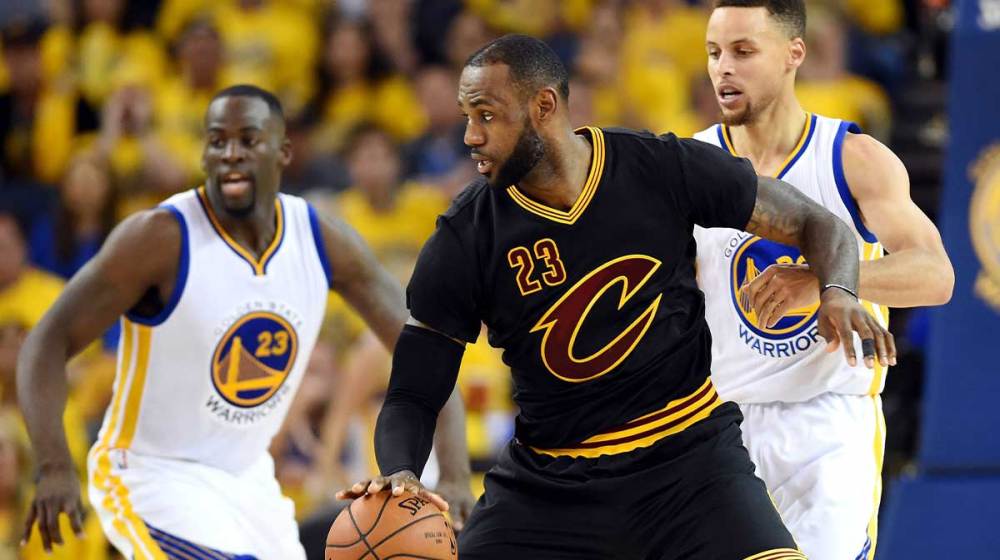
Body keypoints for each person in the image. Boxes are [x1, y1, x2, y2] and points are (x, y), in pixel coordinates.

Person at [339, 34, 894, 559]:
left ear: (544, 107)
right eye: (467, 117)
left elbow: (820, 225)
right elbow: (413, 391)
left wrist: (839, 290)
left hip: (689, 463)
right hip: (549, 488)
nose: (470, 137)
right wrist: (402, 472)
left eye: (486, 115)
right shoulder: (466, 235)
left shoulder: (657, 166)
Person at [16, 84, 471, 559]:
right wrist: (52, 466)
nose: (230, 154)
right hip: (153, 474)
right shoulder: (159, 237)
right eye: (217, 141)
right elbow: (45, 342)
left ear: (283, 151)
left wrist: (455, 474)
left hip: (249, 483)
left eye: (248, 140)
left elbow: (425, 353)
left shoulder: (319, 239)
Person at [693, 1, 954, 558]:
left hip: (828, 426)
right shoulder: (691, 165)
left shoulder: (851, 157)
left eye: (743, 51)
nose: (723, 69)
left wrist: (826, 281)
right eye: (715, 54)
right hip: (722, 426)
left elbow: (936, 274)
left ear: (794, 55)